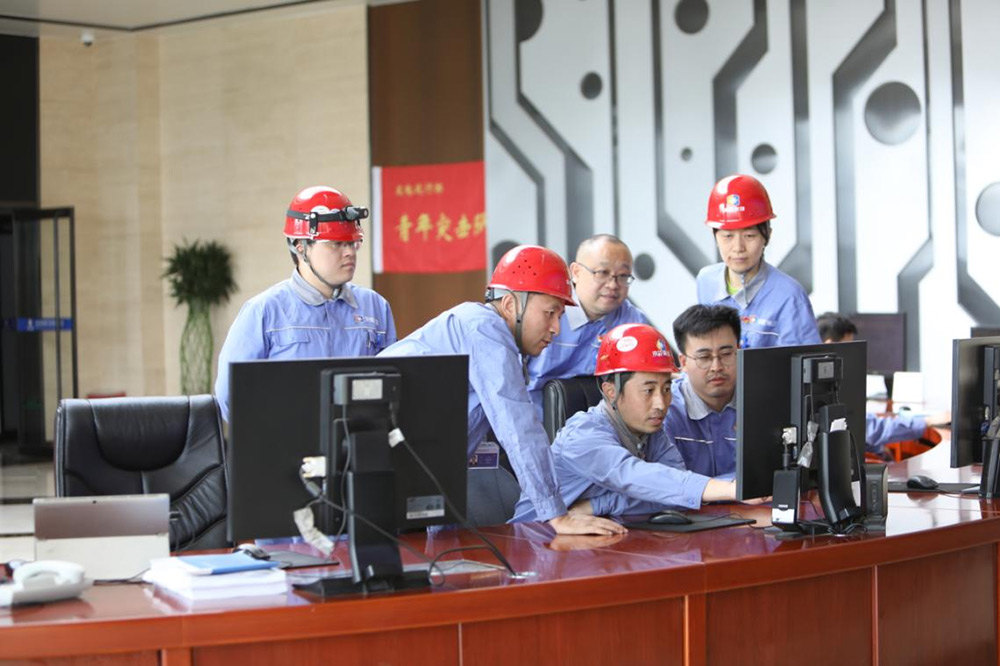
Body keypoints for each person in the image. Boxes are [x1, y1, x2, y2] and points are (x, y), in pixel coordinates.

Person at [379, 245, 625, 536]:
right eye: (549, 313)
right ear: (510, 305)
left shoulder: (498, 341)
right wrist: (556, 514)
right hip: (378, 478)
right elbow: (518, 427)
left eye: (559, 316)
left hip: (419, 480)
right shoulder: (483, 329)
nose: (556, 328)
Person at [511, 323, 742, 522]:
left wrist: (597, 506)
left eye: (666, 389)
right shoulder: (583, 436)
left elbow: (673, 496)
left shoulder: (652, 433)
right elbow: (633, 476)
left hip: (596, 537)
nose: (661, 404)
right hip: (533, 538)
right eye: (648, 390)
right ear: (610, 391)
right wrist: (731, 489)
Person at [214, 186, 396, 421]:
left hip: (359, 438)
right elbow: (230, 398)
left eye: (353, 243)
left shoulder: (375, 307)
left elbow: (392, 385)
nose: (349, 253)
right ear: (300, 247)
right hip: (288, 440)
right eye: (336, 244)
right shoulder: (264, 312)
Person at [525, 235, 650, 413]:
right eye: (602, 273)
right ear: (575, 272)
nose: (613, 285)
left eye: (623, 276)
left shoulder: (634, 324)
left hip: (605, 424)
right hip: (535, 419)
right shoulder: (542, 313)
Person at [696, 174, 821, 348]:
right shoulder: (706, 281)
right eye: (728, 236)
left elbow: (804, 361)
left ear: (767, 235)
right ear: (715, 236)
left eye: (749, 236)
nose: (738, 247)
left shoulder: (789, 296)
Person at [817, 312, 950, 454]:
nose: (853, 356)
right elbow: (870, 428)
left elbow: (859, 427)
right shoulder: (828, 391)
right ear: (830, 345)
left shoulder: (822, 384)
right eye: (849, 348)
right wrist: (927, 421)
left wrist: (878, 449)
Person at [665, 304, 741, 477]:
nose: (716, 367)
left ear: (740, 352)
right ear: (683, 362)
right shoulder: (666, 410)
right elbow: (669, 483)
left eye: (726, 354)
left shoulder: (762, 401)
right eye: (704, 357)